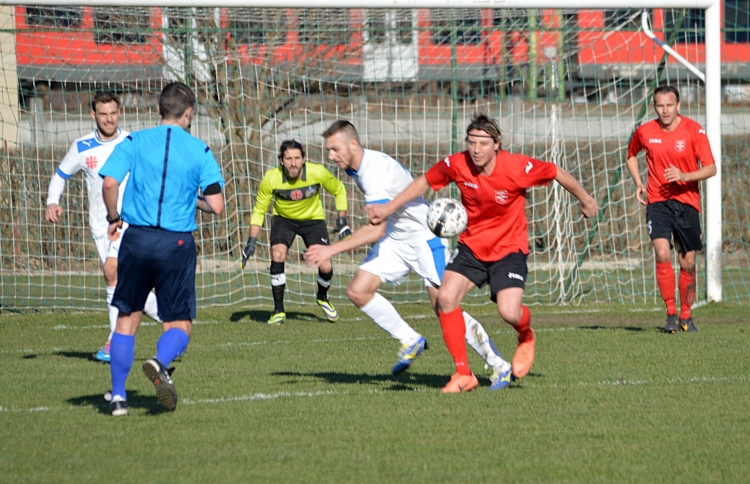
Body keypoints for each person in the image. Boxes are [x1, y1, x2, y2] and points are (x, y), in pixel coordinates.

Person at [368, 113, 599, 393]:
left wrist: (586, 200)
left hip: (508, 250)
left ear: (497, 144)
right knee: (445, 297)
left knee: (509, 312)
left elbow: (555, 172)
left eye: (483, 143)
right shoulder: (458, 163)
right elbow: (424, 182)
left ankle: (525, 336)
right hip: (472, 248)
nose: (476, 149)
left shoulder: (517, 167)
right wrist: (387, 208)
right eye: (471, 142)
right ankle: (463, 374)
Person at [305, 120, 513, 391]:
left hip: (423, 239)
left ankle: (499, 365)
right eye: (329, 150)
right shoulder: (358, 166)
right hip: (396, 239)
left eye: (335, 149)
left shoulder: (372, 170)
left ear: (353, 144)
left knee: (444, 305)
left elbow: (374, 231)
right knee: (358, 290)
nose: (331, 156)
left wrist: (330, 249)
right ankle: (409, 339)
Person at [99, 82, 224, 416]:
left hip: (136, 239)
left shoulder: (134, 140)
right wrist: (189, 199)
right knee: (179, 324)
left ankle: (119, 398)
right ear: (188, 114)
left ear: (159, 110)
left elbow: (109, 183)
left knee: (127, 319)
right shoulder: (201, 150)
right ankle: (159, 361)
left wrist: (113, 217)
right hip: (176, 243)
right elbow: (216, 205)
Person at [44, 91, 160, 363]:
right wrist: (52, 201)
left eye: (114, 113)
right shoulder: (82, 147)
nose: (110, 119)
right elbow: (60, 176)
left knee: (112, 273)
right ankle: (172, 320)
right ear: (93, 115)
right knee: (126, 286)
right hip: (100, 226)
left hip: (131, 221)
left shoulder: (132, 141)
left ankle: (113, 342)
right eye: (104, 114)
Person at [626, 85, 716, 333]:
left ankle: (686, 317)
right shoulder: (645, 131)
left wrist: (684, 175)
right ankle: (671, 314)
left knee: (687, 262)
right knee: (662, 252)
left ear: (678, 106)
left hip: (687, 204)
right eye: (659, 105)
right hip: (658, 202)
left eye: (669, 105)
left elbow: (711, 168)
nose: (664, 110)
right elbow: (630, 155)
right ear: (654, 106)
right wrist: (638, 183)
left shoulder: (693, 130)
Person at [241, 139, 350, 325]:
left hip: (313, 220)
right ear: (281, 161)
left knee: (325, 266)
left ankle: (322, 297)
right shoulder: (271, 178)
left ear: (304, 159)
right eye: (289, 158)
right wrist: (251, 240)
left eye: (297, 158)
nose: (293, 163)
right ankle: (278, 311)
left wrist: (342, 220)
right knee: (277, 254)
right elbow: (259, 210)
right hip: (284, 220)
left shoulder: (317, 172)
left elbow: (339, 189)